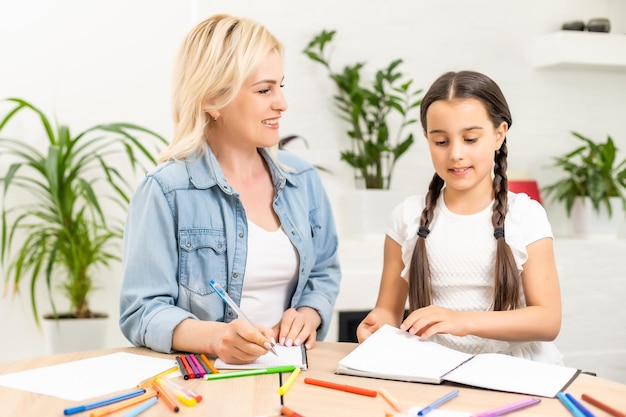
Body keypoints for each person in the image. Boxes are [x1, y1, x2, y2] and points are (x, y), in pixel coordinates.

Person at [119, 14, 341, 364]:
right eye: (264, 90)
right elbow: (142, 311)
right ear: (212, 99)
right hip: (207, 382)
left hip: (294, 373)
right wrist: (217, 338)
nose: (281, 103)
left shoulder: (303, 179)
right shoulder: (165, 191)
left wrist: (310, 313)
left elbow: (324, 271)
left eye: (280, 86)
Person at [356, 70, 563, 364]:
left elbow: (548, 320)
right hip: (436, 370)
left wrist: (462, 321)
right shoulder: (407, 217)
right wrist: (378, 324)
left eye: (470, 139)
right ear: (427, 138)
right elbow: (388, 311)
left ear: (498, 134)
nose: (456, 153)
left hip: (517, 372)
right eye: (441, 142)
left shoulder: (526, 216)